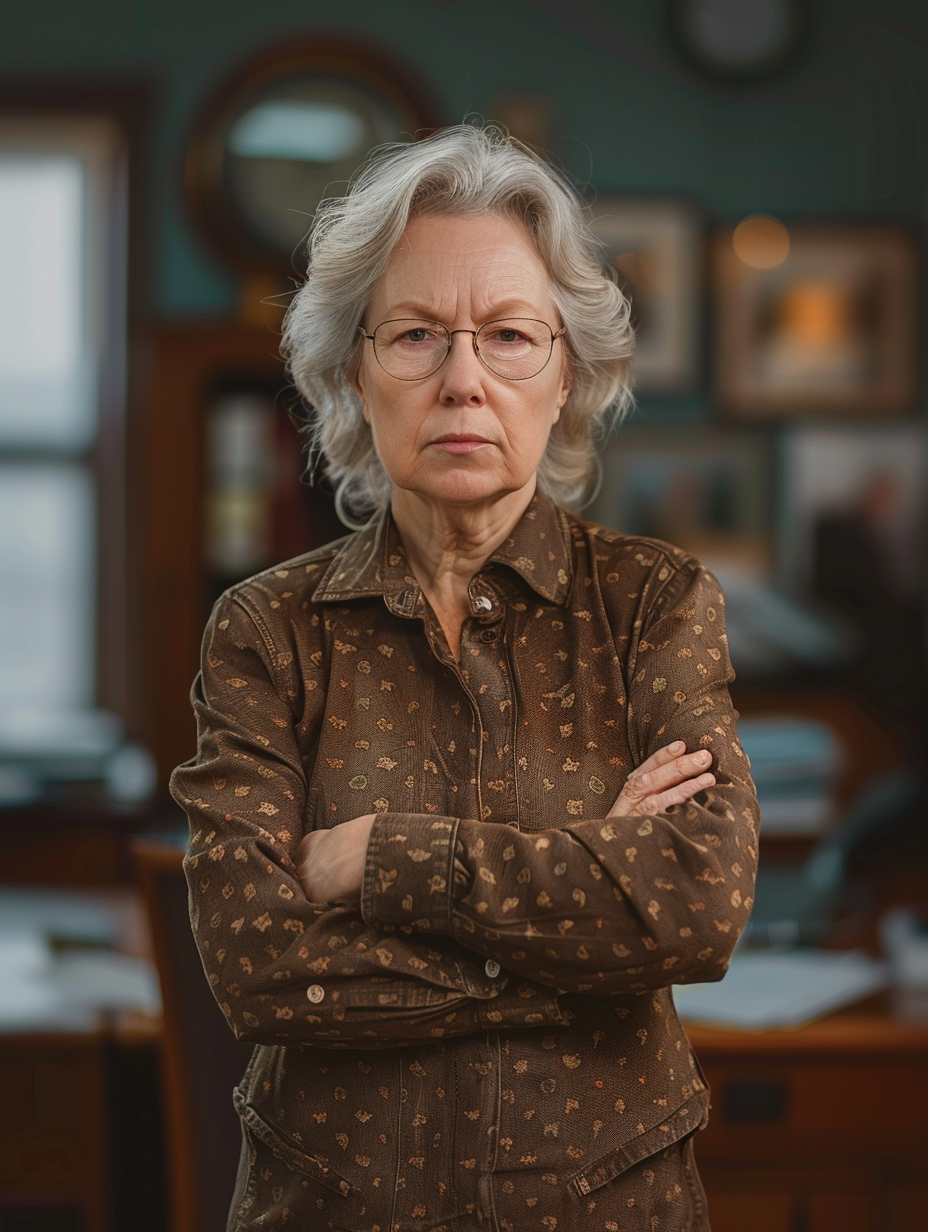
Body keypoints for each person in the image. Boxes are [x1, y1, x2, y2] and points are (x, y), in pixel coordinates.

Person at [171, 124, 759, 1232]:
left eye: (508, 335)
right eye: (414, 335)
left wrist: (379, 857)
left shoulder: (654, 605)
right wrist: (583, 944)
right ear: (352, 367)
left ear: (568, 371)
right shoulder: (264, 630)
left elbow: (693, 905)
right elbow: (258, 967)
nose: (463, 379)